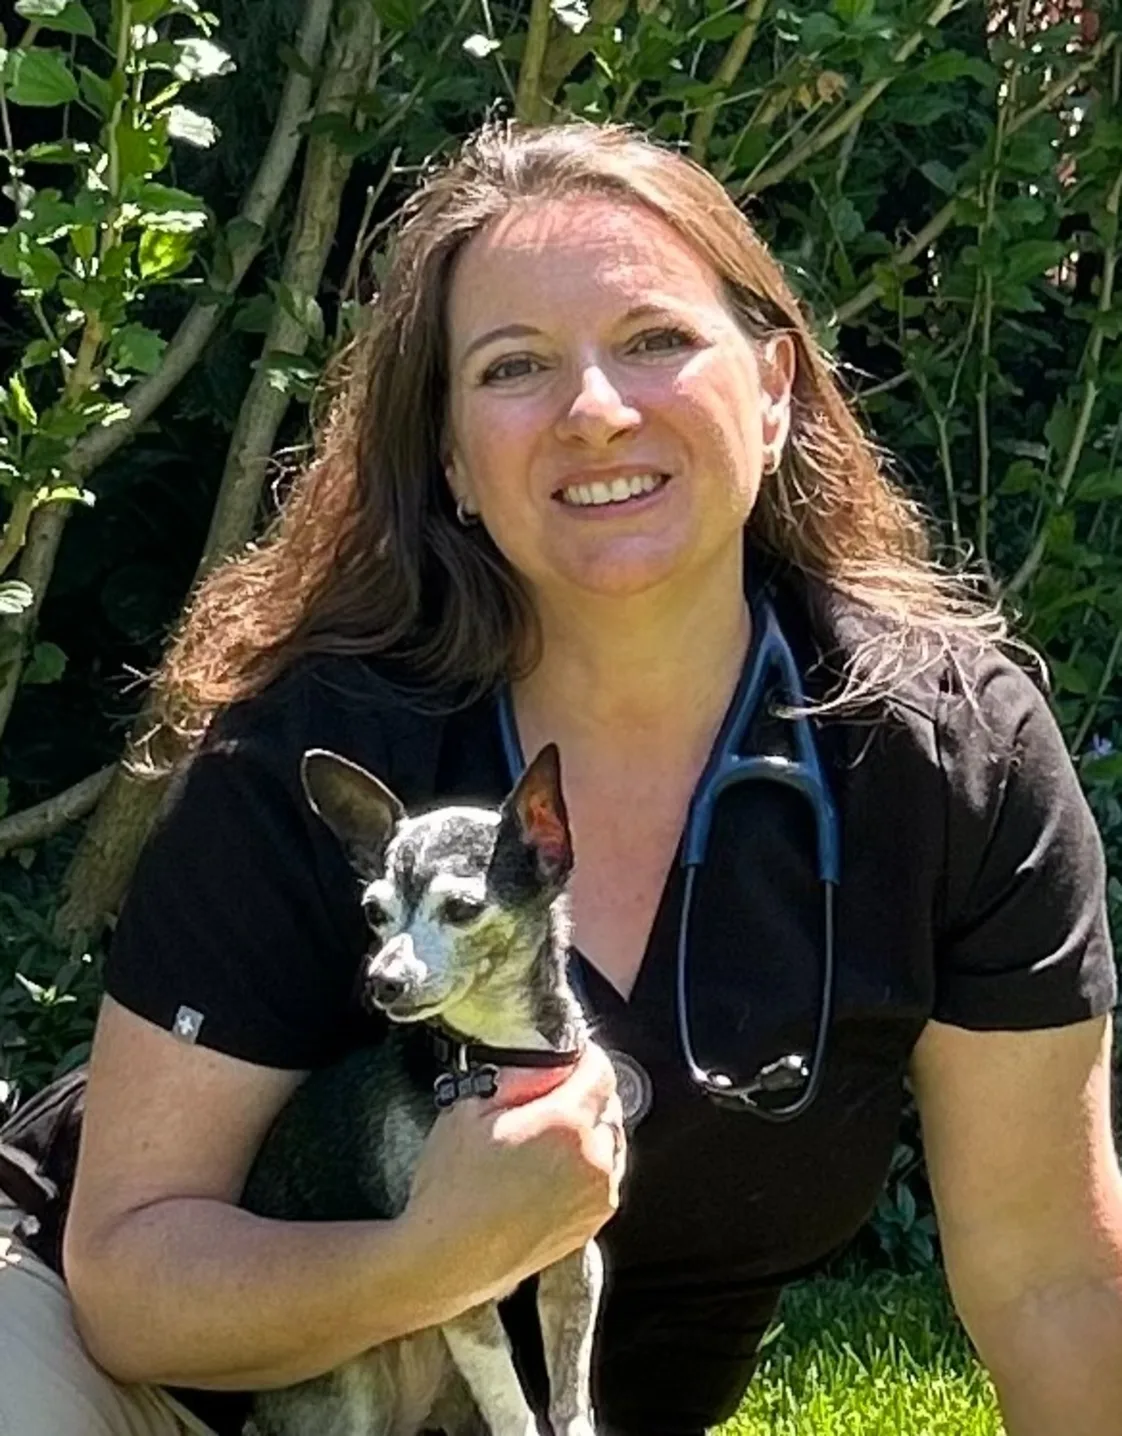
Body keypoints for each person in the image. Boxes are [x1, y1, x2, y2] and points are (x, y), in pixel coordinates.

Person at [0, 120, 1119, 1436]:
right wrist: (428, 1256)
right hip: (139, 1373)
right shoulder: (311, 742)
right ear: (455, 463)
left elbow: (1051, 1277)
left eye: (653, 340)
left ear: (771, 393)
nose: (594, 409)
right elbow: (130, 1278)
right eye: (515, 367)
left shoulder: (942, 757)